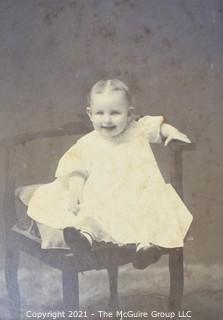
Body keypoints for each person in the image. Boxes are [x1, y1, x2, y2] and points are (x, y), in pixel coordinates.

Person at [27, 79, 193, 269]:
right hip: (103, 196)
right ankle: (84, 239)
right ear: (90, 114)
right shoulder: (89, 142)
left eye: (115, 113)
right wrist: (75, 191)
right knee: (90, 211)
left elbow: (159, 128)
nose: (107, 119)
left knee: (151, 211)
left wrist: (171, 132)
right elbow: (76, 168)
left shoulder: (137, 129)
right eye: (100, 113)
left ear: (129, 114)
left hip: (137, 194)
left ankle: (145, 249)